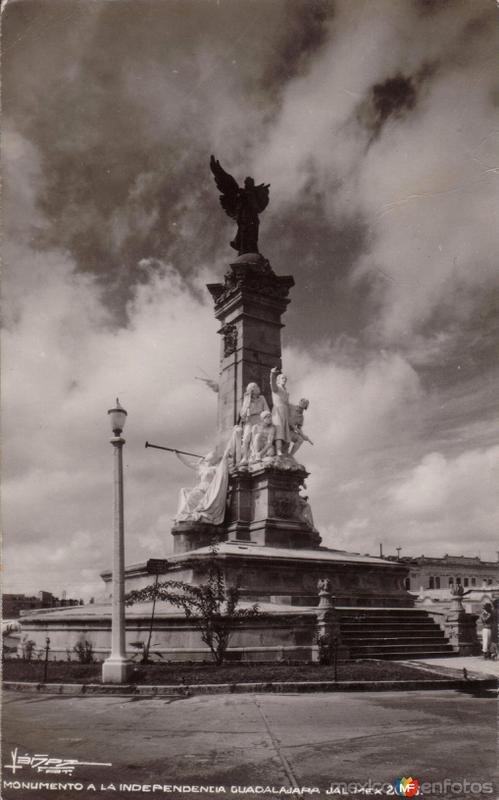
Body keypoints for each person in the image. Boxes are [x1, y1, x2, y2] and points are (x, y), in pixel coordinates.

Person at [175, 450, 229, 525]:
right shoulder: (201, 467)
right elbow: (189, 463)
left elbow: (223, 469)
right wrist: (179, 455)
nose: (207, 456)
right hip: (200, 487)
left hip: (207, 490)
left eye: (210, 455)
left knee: (192, 496)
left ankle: (185, 514)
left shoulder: (215, 469)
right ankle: (184, 514)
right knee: (183, 490)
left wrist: (224, 457)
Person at [239, 383, 269, 465]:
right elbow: (242, 414)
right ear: (252, 390)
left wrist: (265, 420)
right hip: (250, 420)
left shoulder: (262, 398)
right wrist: (247, 403)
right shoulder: (247, 400)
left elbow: (267, 410)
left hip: (260, 419)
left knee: (257, 437)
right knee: (246, 438)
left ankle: (257, 456)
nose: (259, 388)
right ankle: (245, 457)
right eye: (257, 387)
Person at [270, 367, 291, 456]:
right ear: (278, 380)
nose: (285, 380)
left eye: (285, 379)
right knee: (279, 430)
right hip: (277, 410)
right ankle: (278, 450)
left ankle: (284, 450)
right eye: (283, 378)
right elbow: (272, 384)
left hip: (285, 412)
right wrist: (272, 374)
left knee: (285, 431)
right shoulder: (277, 388)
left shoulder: (286, 391)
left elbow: (288, 404)